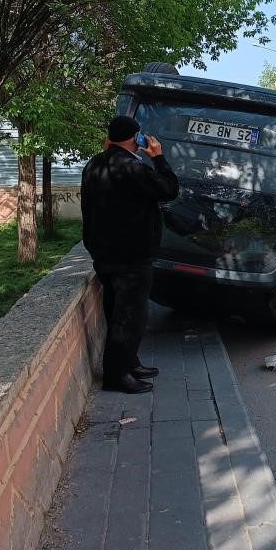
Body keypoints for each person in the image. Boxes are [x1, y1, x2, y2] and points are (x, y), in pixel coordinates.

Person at [81, 116, 179, 394]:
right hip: (131, 257)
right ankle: (116, 376)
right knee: (130, 317)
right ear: (136, 137)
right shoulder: (133, 168)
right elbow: (169, 189)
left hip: (104, 253)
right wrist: (158, 157)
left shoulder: (94, 165)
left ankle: (129, 362)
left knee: (115, 311)